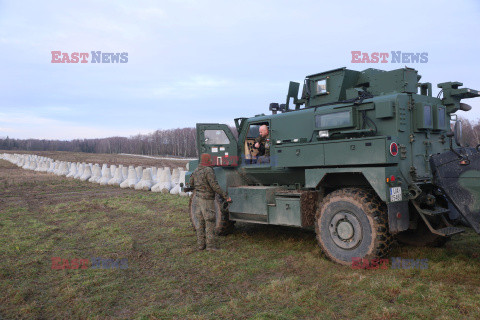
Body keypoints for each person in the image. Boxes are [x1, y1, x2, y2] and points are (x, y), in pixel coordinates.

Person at [189, 153, 232, 251]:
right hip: (207, 200)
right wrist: (226, 196)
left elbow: (191, 183)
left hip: (198, 199)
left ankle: (200, 245)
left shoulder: (196, 170)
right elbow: (215, 186)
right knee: (210, 221)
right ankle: (210, 246)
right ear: (207, 160)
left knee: (200, 223)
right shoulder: (208, 170)